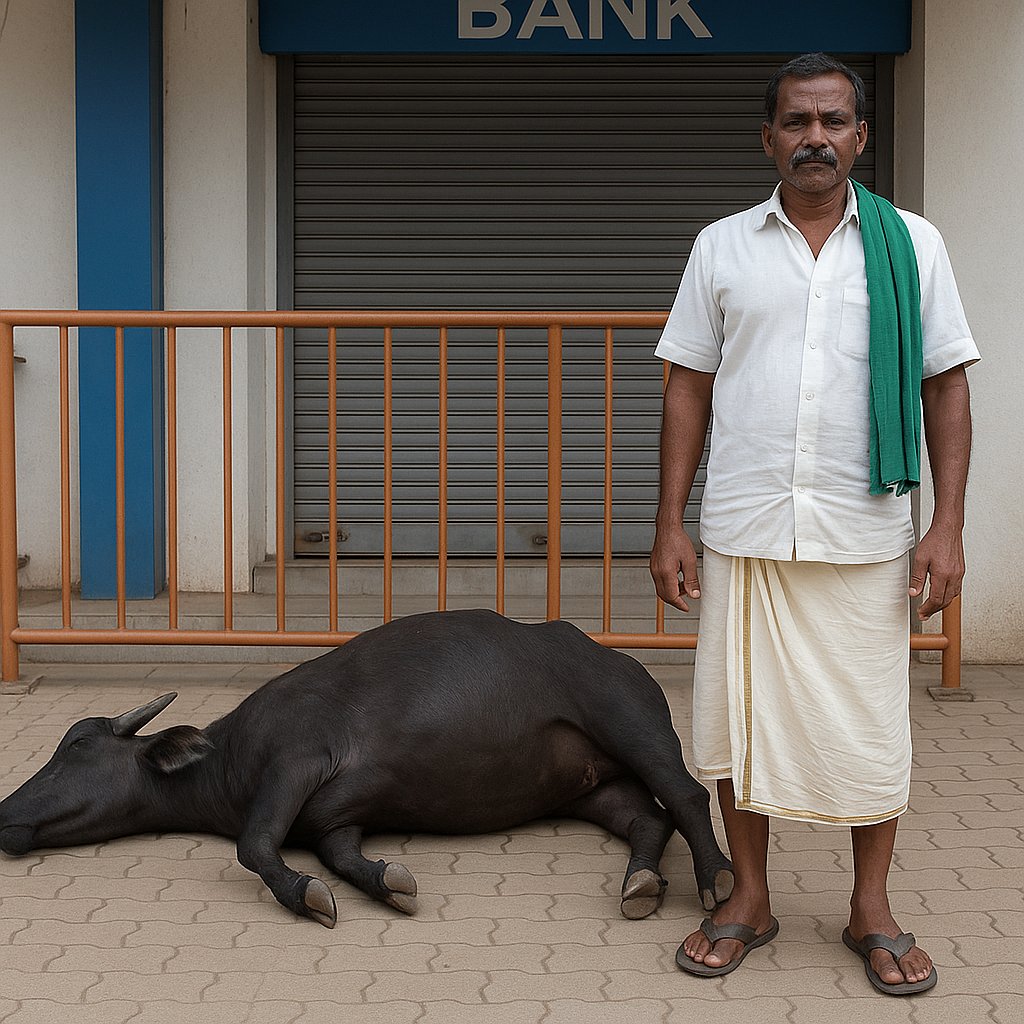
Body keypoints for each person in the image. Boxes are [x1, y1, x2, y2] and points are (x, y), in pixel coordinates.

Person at [650, 53, 978, 997]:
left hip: (865, 527)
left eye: (834, 122)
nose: (815, 138)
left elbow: (946, 385)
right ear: (769, 138)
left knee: (870, 724)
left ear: (861, 137)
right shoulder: (722, 246)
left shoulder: (913, 245)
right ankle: (749, 897)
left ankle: (870, 906)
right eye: (796, 122)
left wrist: (947, 526)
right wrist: (669, 521)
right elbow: (688, 385)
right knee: (736, 719)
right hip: (745, 524)